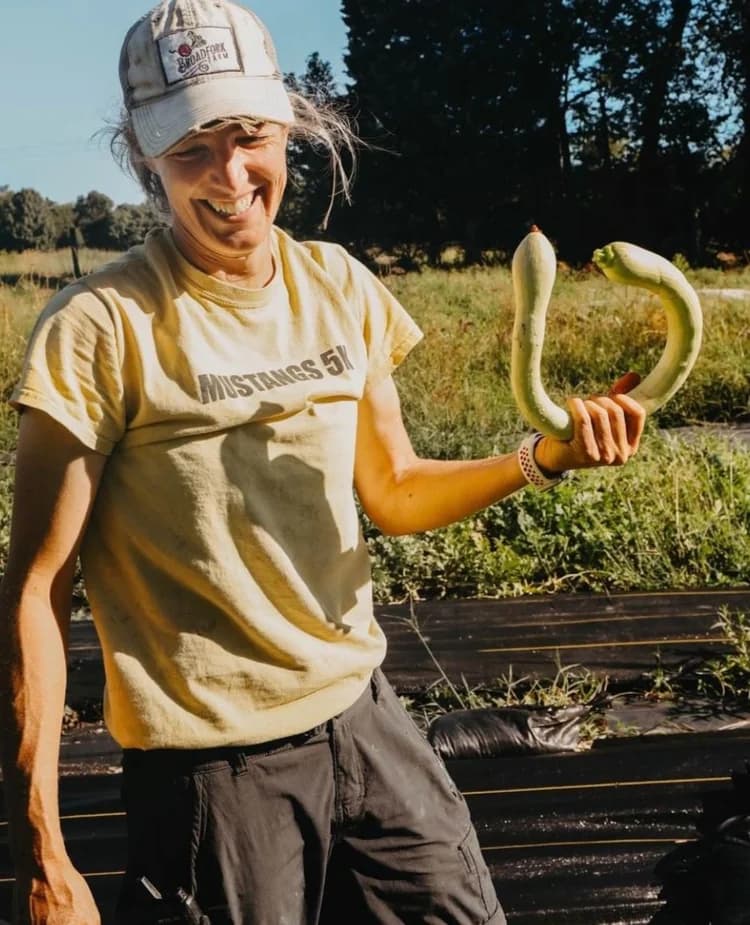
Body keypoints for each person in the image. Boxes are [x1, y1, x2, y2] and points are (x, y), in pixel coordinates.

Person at [0, 1, 646, 923]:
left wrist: (546, 456)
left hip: (366, 716)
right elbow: (35, 593)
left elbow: (394, 490)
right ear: (146, 156)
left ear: (288, 129)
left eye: (250, 135)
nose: (230, 175)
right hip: (210, 772)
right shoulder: (101, 327)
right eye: (191, 148)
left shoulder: (339, 285)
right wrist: (43, 850)